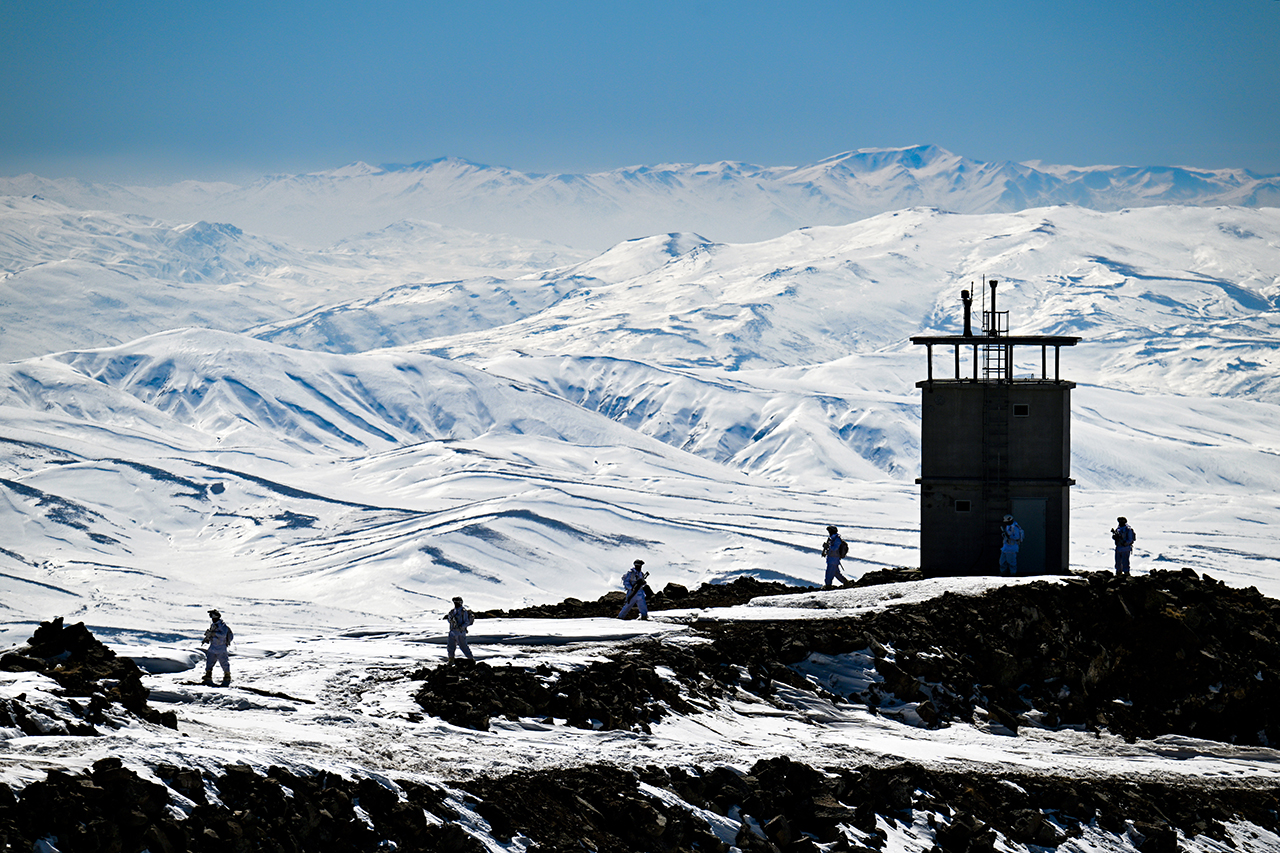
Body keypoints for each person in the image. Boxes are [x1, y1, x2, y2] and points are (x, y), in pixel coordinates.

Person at [201, 608, 234, 686]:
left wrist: (214, 633)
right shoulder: (213, 626)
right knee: (209, 662)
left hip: (220, 648)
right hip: (213, 647)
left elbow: (223, 635)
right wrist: (208, 637)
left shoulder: (223, 626)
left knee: (224, 662)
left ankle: (227, 676)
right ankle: (208, 675)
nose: (213, 620)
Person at [444, 596, 475, 662]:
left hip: (460, 633)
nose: (455, 603)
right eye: (454, 602)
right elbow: (449, 620)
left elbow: (466, 622)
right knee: (450, 647)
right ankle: (451, 660)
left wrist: (461, 627)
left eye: (456, 602)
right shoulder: (452, 611)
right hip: (452, 632)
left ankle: (471, 659)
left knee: (463, 647)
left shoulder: (463, 612)